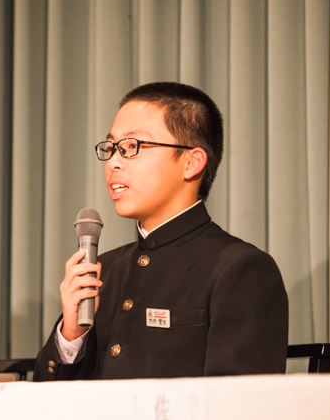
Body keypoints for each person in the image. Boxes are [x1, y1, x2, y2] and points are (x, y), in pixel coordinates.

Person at [34, 82, 288, 380]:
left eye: (132, 147)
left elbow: (239, 403)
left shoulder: (240, 269)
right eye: (112, 148)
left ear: (191, 162)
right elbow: (43, 398)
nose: (113, 163)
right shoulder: (105, 269)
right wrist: (71, 334)